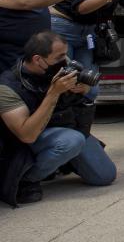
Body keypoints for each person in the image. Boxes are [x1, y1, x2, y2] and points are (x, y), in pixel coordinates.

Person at [0, 32, 116, 205]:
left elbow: (87, 96)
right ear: (38, 59)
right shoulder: (8, 87)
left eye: (66, 55)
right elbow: (26, 135)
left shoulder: (62, 66)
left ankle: (59, 161)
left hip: (64, 125)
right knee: (71, 141)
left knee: (104, 176)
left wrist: (83, 88)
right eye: (59, 57)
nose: (65, 61)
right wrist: (53, 93)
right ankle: (25, 179)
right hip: (26, 142)